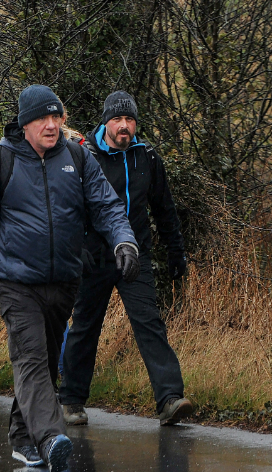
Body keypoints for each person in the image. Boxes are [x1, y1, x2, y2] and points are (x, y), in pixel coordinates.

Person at [0, 84, 139, 470]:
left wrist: (124, 242)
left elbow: (107, 206)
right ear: (25, 124)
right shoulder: (0, 161)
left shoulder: (77, 158)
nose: (51, 125)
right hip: (16, 281)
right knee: (29, 359)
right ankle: (50, 437)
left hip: (63, 281)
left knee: (41, 363)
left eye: (56, 116)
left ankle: (23, 438)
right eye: (42, 118)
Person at [59, 91, 194, 426]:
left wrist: (176, 251)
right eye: (117, 120)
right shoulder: (83, 154)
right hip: (95, 256)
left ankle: (170, 399)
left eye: (129, 120)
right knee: (85, 327)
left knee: (149, 324)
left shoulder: (146, 156)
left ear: (136, 123)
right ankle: (72, 400)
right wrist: (79, 249)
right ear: (106, 121)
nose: (123, 127)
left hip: (135, 255)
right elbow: (68, 210)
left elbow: (164, 209)